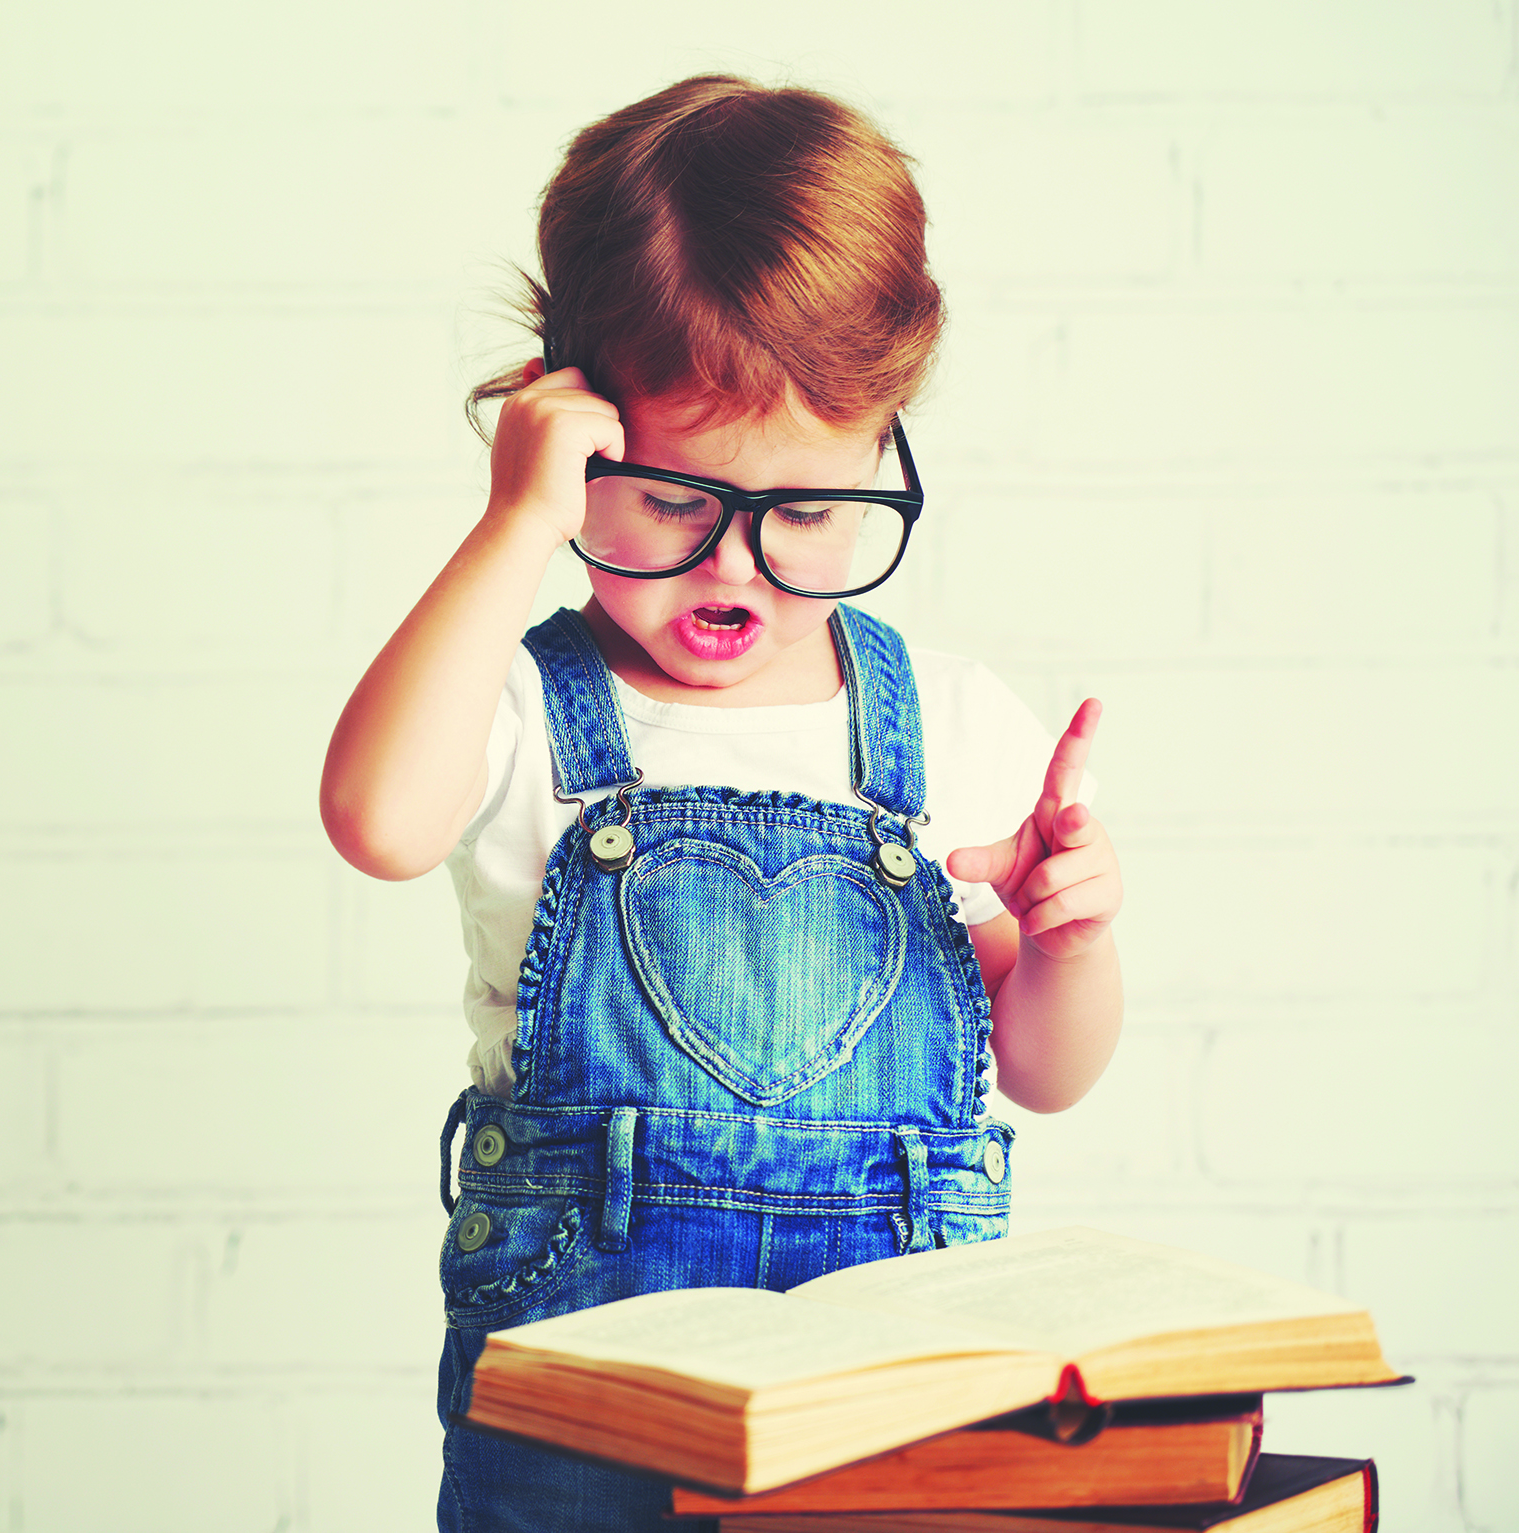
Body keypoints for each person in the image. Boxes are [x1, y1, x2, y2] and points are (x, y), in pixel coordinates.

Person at [318, 75, 1124, 1530]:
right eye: (675, 500)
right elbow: (376, 821)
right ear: (565, 434)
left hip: (892, 1406)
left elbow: (1043, 1072)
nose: (736, 567)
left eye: (809, 511)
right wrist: (515, 528)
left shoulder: (947, 726)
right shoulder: (508, 711)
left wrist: (1068, 944)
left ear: (887, 450)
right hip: (582, 1407)